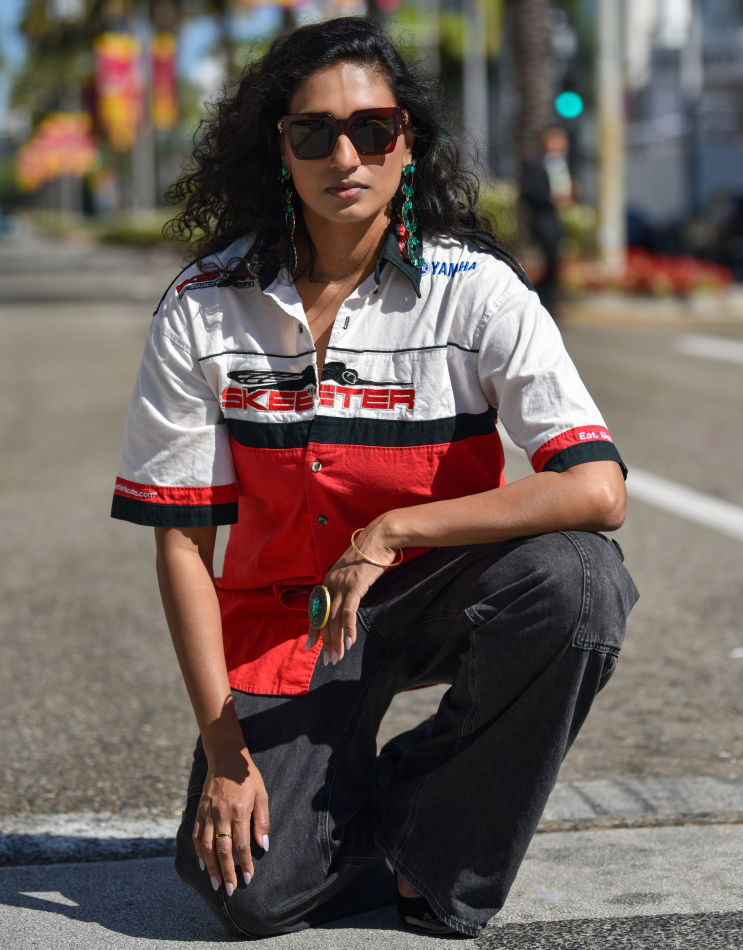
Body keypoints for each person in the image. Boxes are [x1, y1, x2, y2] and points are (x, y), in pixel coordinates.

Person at [111, 17, 638, 940]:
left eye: (372, 129)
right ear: (278, 148)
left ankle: (441, 848)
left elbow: (598, 490)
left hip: (434, 590)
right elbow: (184, 548)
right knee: (247, 897)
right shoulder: (203, 307)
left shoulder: (477, 290)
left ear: (408, 143)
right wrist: (227, 754)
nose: (344, 156)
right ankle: (372, 819)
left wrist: (392, 533)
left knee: (579, 583)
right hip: (288, 622)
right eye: (313, 132)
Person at [520, 126, 575, 314]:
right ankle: (542, 297)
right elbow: (529, 192)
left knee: (555, 261)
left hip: (557, 221)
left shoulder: (565, 165)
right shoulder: (536, 165)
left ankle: (550, 298)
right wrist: (549, 197)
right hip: (542, 222)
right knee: (545, 261)